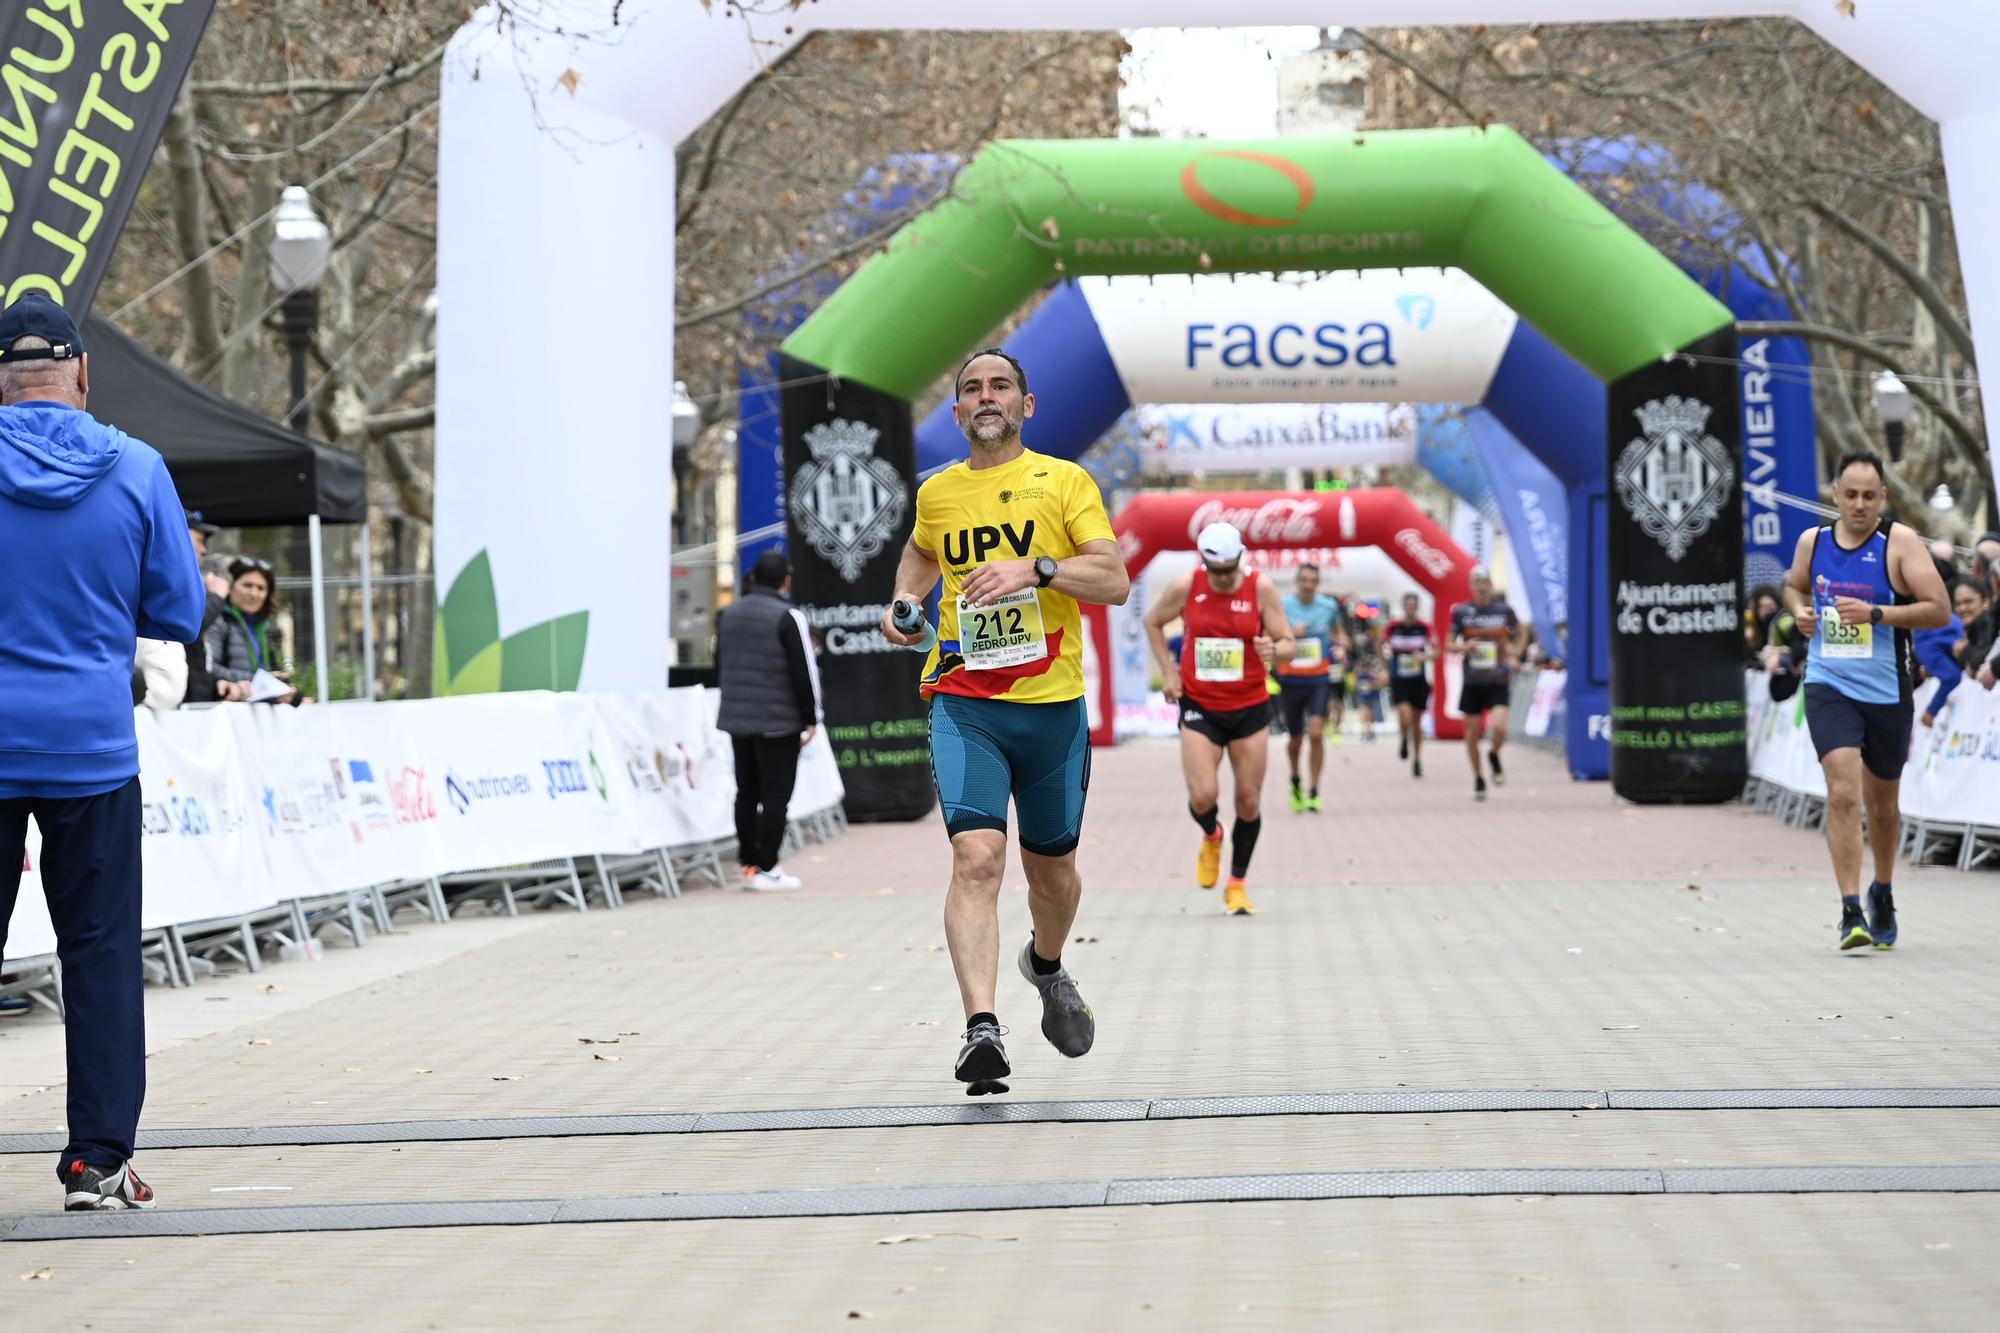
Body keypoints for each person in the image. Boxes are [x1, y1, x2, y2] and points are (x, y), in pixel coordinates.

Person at [0, 294, 206, 1210]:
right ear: (83, 374)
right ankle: (97, 1158)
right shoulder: (138, 469)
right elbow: (177, 614)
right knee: (99, 955)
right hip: (89, 746)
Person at [879, 349, 1129, 1095]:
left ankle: (1045, 966)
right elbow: (922, 554)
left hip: (1051, 710)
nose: (985, 397)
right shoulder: (939, 494)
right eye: (970, 389)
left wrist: (1039, 568)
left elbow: (1113, 580)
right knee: (977, 857)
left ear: (1027, 403)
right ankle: (980, 1028)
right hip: (965, 702)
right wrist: (903, 604)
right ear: (956, 411)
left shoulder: (1065, 481)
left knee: (1052, 875)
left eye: (1000, 386)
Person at [1782, 450, 1950, 950]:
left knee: (1882, 806)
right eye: (1849, 494)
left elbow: (1939, 610)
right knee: (1842, 791)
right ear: (1834, 494)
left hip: (1887, 690)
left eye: (1868, 496)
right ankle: (1850, 909)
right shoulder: (1812, 542)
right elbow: (1793, 588)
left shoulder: (1897, 543)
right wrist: (1800, 614)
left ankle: (1883, 889)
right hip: (1828, 682)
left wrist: (1877, 615)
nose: (1858, 504)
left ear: (1883, 497)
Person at [1144, 521, 1296, 917]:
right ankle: (1212, 835)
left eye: (1231, 570)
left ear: (1241, 559)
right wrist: (1170, 671)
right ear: (1205, 564)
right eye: (1218, 572)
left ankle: (1237, 885)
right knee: (1203, 796)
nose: (1225, 579)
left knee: (1248, 799)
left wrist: (1272, 650)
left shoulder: (1260, 588)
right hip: (1201, 704)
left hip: (1249, 706)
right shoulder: (1186, 586)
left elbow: (1288, 644)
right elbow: (1153, 621)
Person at [714, 548, 822, 891]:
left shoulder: (727, 614)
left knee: (746, 792)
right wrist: (812, 717)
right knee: (776, 796)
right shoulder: (788, 616)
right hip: (779, 720)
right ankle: (768, 867)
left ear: (752, 578)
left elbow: (720, 664)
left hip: (737, 718)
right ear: (786, 582)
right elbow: (804, 671)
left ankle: (748, 864)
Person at [1447, 567, 1523, 801]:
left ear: (1491, 585)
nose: (1481, 586)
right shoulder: (1461, 612)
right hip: (1472, 681)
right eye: (1477, 582)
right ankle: (1479, 777)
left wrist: (1514, 655)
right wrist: (1463, 647)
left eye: (1485, 582)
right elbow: (1448, 643)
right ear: (1471, 587)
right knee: (1471, 735)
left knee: (1500, 728)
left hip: (1498, 679)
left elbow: (1522, 632)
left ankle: (1494, 754)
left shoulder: (1504, 611)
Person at [1274, 562, 1339, 812]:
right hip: (1291, 679)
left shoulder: (1329, 606)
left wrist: (1341, 647)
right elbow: (1273, 636)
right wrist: (1291, 633)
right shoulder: (1284, 605)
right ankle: (1295, 780)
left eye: (1313, 580)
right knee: (1295, 740)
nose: (1308, 585)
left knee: (1315, 732)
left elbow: (1338, 633)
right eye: (1304, 580)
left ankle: (1314, 790)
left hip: (1318, 678)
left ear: (1318, 583)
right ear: (1297, 582)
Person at [204, 557, 299, 705]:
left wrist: (289, 692)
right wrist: (257, 680)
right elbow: (209, 668)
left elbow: (272, 671)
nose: (254, 593)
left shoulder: (264, 626)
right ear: (230, 585)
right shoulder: (217, 620)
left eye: (261, 588)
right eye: (247, 585)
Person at [1384, 592, 1436, 777]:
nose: (1411, 609)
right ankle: (1404, 737)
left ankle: (1417, 760)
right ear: (1403, 606)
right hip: (1399, 680)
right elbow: (1381, 645)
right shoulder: (1393, 627)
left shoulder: (1425, 627)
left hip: (1419, 680)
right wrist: (1385, 665)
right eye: (1408, 605)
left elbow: (1437, 652)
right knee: (1405, 717)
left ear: (1417, 607)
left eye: (1414, 605)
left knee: (1417, 722)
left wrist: (1423, 656)